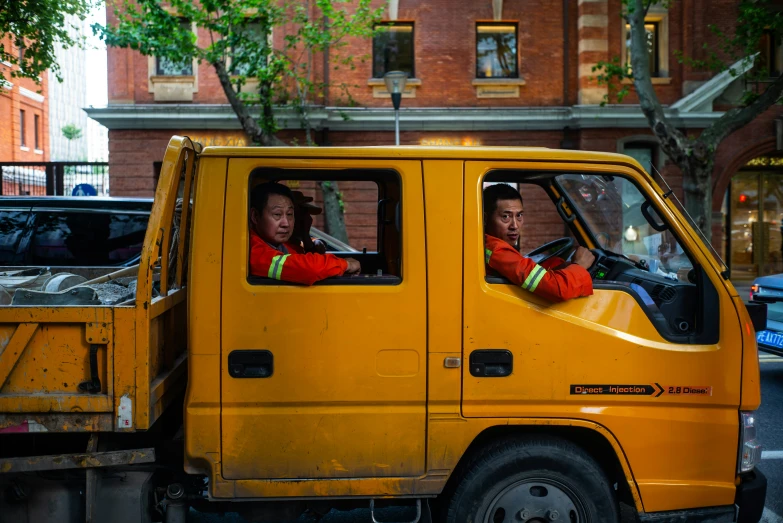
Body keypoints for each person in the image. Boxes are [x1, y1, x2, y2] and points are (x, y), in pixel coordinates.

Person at [483, 183, 594, 302]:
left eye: (519, 215)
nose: (515, 225)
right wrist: (579, 266)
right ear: (485, 219)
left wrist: (565, 267)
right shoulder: (497, 250)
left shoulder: (489, 245)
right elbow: (557, 289)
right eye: (505, 217)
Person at [249, 182, 361, 285]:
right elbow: (310, 269)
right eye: (277, 214)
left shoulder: (281, 244)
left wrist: (308, 239)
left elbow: (301, 258)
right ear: (255, 216)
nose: (286, 223)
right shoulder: (253, 250)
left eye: (290, 214)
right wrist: (345, 264)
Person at [286, 190, 327, 254]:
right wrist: (305, 235)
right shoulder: (285, 247)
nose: (310, 219)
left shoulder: (296, 242)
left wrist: (314, 241)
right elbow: (313, 261)